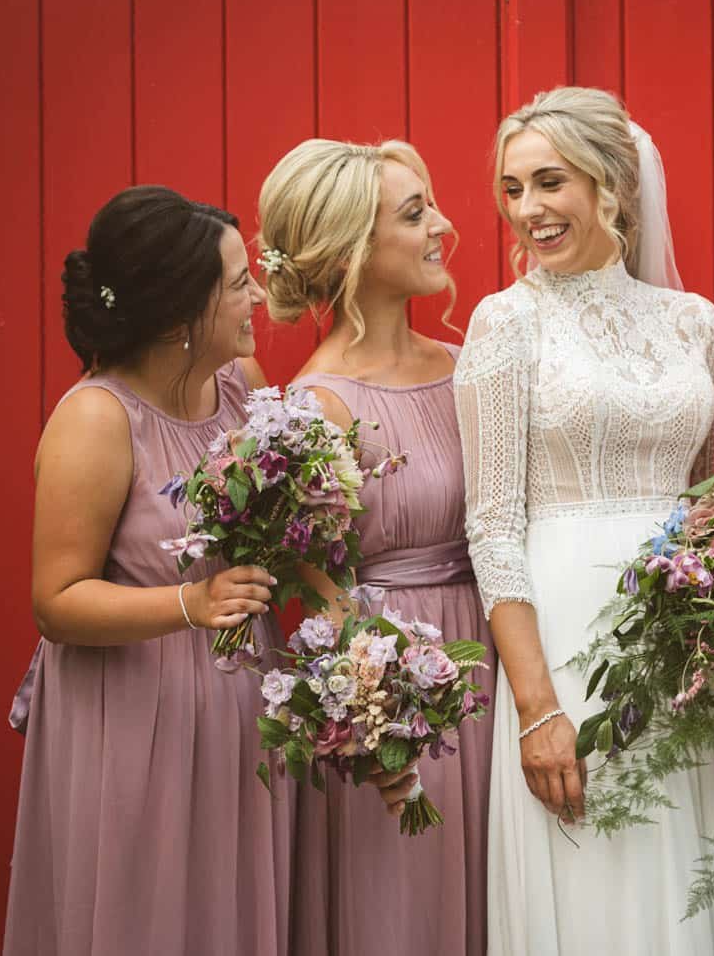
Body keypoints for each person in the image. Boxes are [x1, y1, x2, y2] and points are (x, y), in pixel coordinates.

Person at [455, 86, 714, 955]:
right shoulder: (505, 324)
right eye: (512, 188)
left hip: (683, 643)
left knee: (689, 875)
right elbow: (493, 528)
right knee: (591, 873)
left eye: (550, 182)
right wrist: (536, 708)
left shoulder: (696, 325)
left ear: (613, 186)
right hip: (564, 640)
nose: (528, 210)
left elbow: (701, 500)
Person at [4, 186, 293, 955]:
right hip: (135, 717)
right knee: (148, 918)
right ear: (179, 316)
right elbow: (56, 601)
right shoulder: (96, 419)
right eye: (239, 284)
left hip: (237, 708)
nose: (258, 298)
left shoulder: (242, 384)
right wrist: (190, 603)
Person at [257, 138, 494, 956]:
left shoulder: (469, 368)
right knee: (407, 912)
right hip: (394, 677)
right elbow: (321, 593)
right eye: (416, 213)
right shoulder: (313, 408)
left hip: (490, 661)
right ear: (352, 251)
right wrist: (381, 723)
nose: (444, 226)